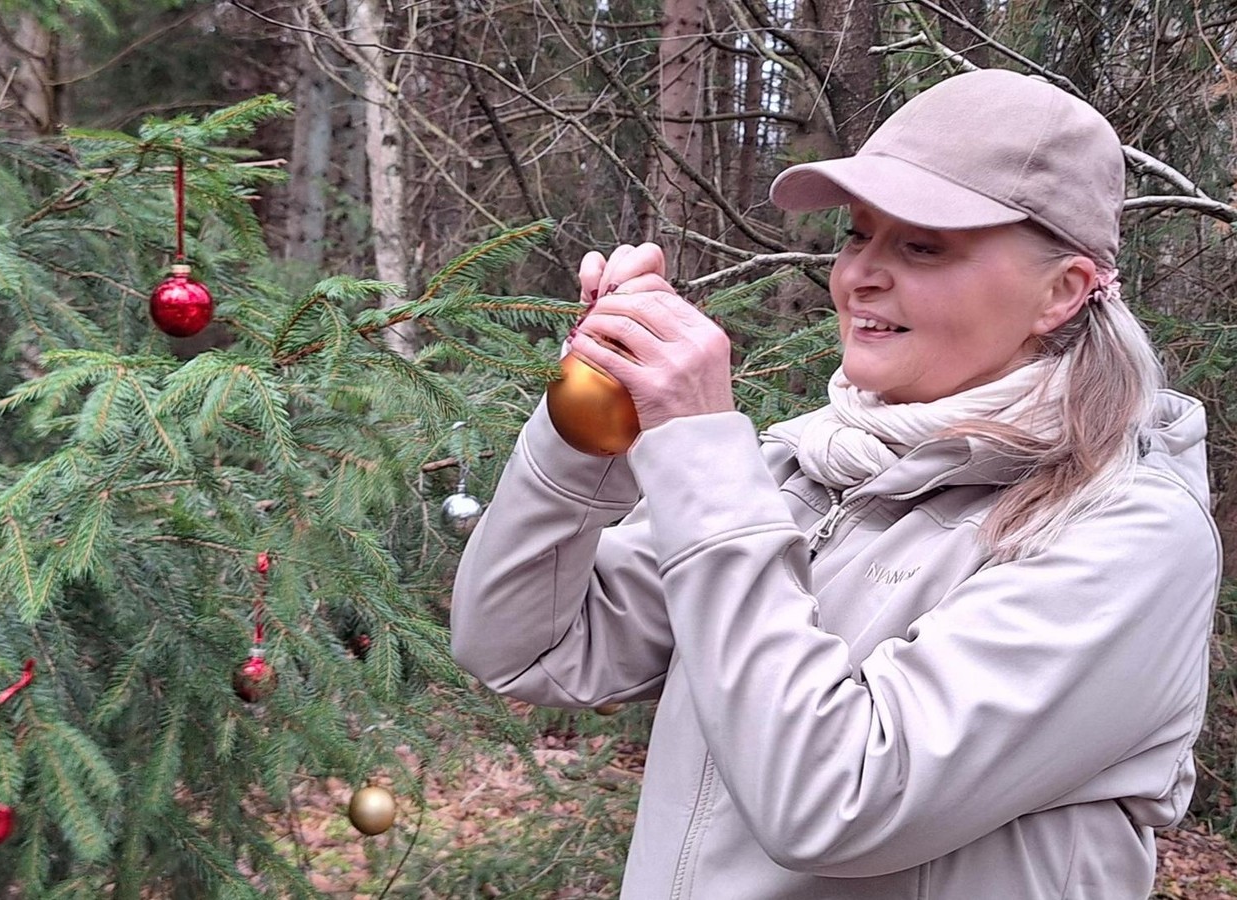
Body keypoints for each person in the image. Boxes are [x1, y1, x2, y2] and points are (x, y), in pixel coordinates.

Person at [450, 68, 1221, 899]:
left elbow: (837, 800)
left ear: (1061, 292)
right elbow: (522, 647)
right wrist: (589, 422)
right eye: (858, 236)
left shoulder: (1127, 530)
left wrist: (699, 450)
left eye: (921, 245)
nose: (860, 276)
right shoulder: (805, 469)